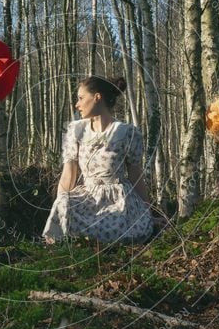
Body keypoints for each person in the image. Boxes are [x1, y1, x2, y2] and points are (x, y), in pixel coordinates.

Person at [42, 75, 163, 245]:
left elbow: (136, 176)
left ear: (97, 97)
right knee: (64, 203)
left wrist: (149, 212)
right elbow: (68, 175)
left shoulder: (127, 132)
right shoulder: (75, 131)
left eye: (81, 98)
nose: (77, 104)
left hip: (119, 200)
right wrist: (59, 210)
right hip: (87, 198)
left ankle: (106, 242)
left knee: (117, 228)